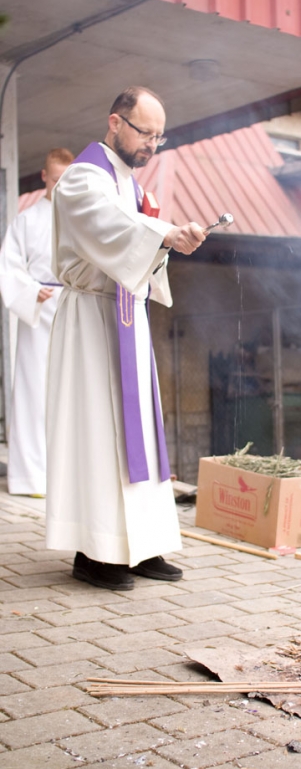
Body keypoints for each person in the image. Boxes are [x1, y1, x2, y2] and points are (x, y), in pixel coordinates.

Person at [46, 86, 206, 590]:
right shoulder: (82, 177)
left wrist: (169, 240)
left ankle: (142, 545)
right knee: (98, 432)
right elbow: (108, 226)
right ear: (115, 122)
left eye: (159, 137)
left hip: (126, 318)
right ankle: (94, 552)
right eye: (145, 133)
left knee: (140, 436)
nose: (152, 145)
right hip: (91, 321)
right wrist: (163, 234)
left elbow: (134, 236)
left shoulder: (131, 187)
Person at [0, 148, 74, 496]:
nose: (60, 186)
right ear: (44, 176)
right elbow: (9, 265)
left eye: (66, 180)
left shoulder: (79, 218)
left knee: (72, 391)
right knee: (34, 392)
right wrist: (31, 290)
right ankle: (30, 477)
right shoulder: (26, 221)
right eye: (56, 179)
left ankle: (70, 475)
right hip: (39, 309)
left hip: (73, 307)